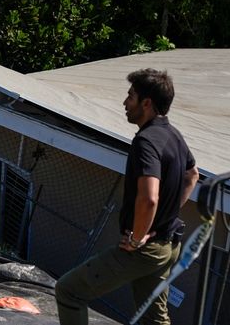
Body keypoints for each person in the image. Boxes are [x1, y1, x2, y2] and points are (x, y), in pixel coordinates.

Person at [55, 68, 199, 325]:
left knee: (69, 291)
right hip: (168, 245)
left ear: (147, 103)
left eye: (130, 96)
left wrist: (136, 238)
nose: (125, 102)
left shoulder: (146, 142)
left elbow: (149, 198)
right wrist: (166, 214)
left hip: (144, 249)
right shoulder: (173, 134)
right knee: (154, 319)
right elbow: (192, 175)